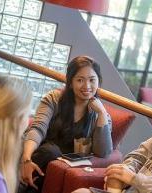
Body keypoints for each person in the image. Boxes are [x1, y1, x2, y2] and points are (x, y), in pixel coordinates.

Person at [19, 56, 113, 192]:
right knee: (51, 151)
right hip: (38, 155)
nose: (87, 86)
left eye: (92, 80)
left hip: (61, 167)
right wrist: (26, 159)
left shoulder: (100, 113)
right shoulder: (53, 99)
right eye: (80, 80)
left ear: (98, 82)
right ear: (70, 82)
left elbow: (103, 152)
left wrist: (102, 114)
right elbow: (37, 128)